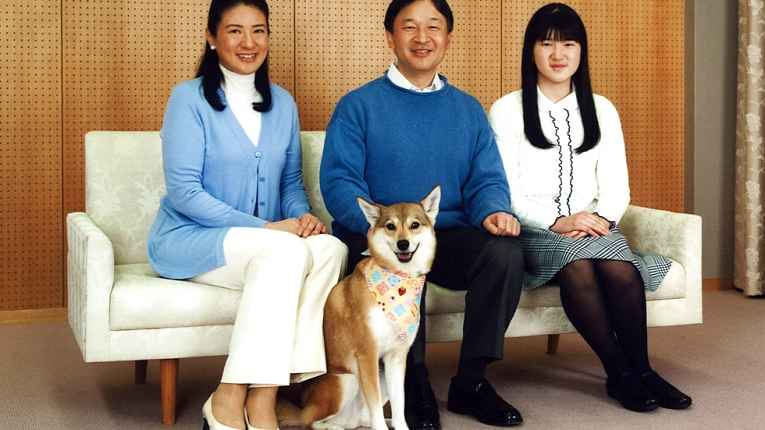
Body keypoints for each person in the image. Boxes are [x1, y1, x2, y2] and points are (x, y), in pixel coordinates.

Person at [320, 0, 525, 428]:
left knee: (505, 254)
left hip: (441, 234)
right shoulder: (358, 106)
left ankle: (471, 382)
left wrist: (493, 212)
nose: (422, 37)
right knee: (399, 266)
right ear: (390, 37)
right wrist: (381, 233)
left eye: (433, 27)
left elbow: (488, 179)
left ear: (448, 38)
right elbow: (340, 182)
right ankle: (412, 383)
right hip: (379, 239)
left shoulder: (468, 110)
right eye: (409, 27)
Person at [146, 1, 347, 429]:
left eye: (259, 31)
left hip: (261, 244)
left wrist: (303, 218)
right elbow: (185, 193)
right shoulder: (188, 99)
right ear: (212, 37)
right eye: (235, 31)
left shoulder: (284, 105)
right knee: (284, 253)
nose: (248, 42)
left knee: (330, 249)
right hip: (190, 238)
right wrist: (271, 228)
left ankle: (264, 396)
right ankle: (229, 397)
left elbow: (290, 182)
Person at [489, 2, 692, 413]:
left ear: (582, 51)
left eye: (568, 43)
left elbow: (618, 185)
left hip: (596, 225)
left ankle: (643, 369)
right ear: (531, 51)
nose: (558, 54)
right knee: (579, 266)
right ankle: (618, 372)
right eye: (546, 44)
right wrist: (558, 220)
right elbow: (505, 189)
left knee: (620, 267)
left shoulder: (602, 108)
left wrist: (599, 219)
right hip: (537, 230)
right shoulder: (507, 110)